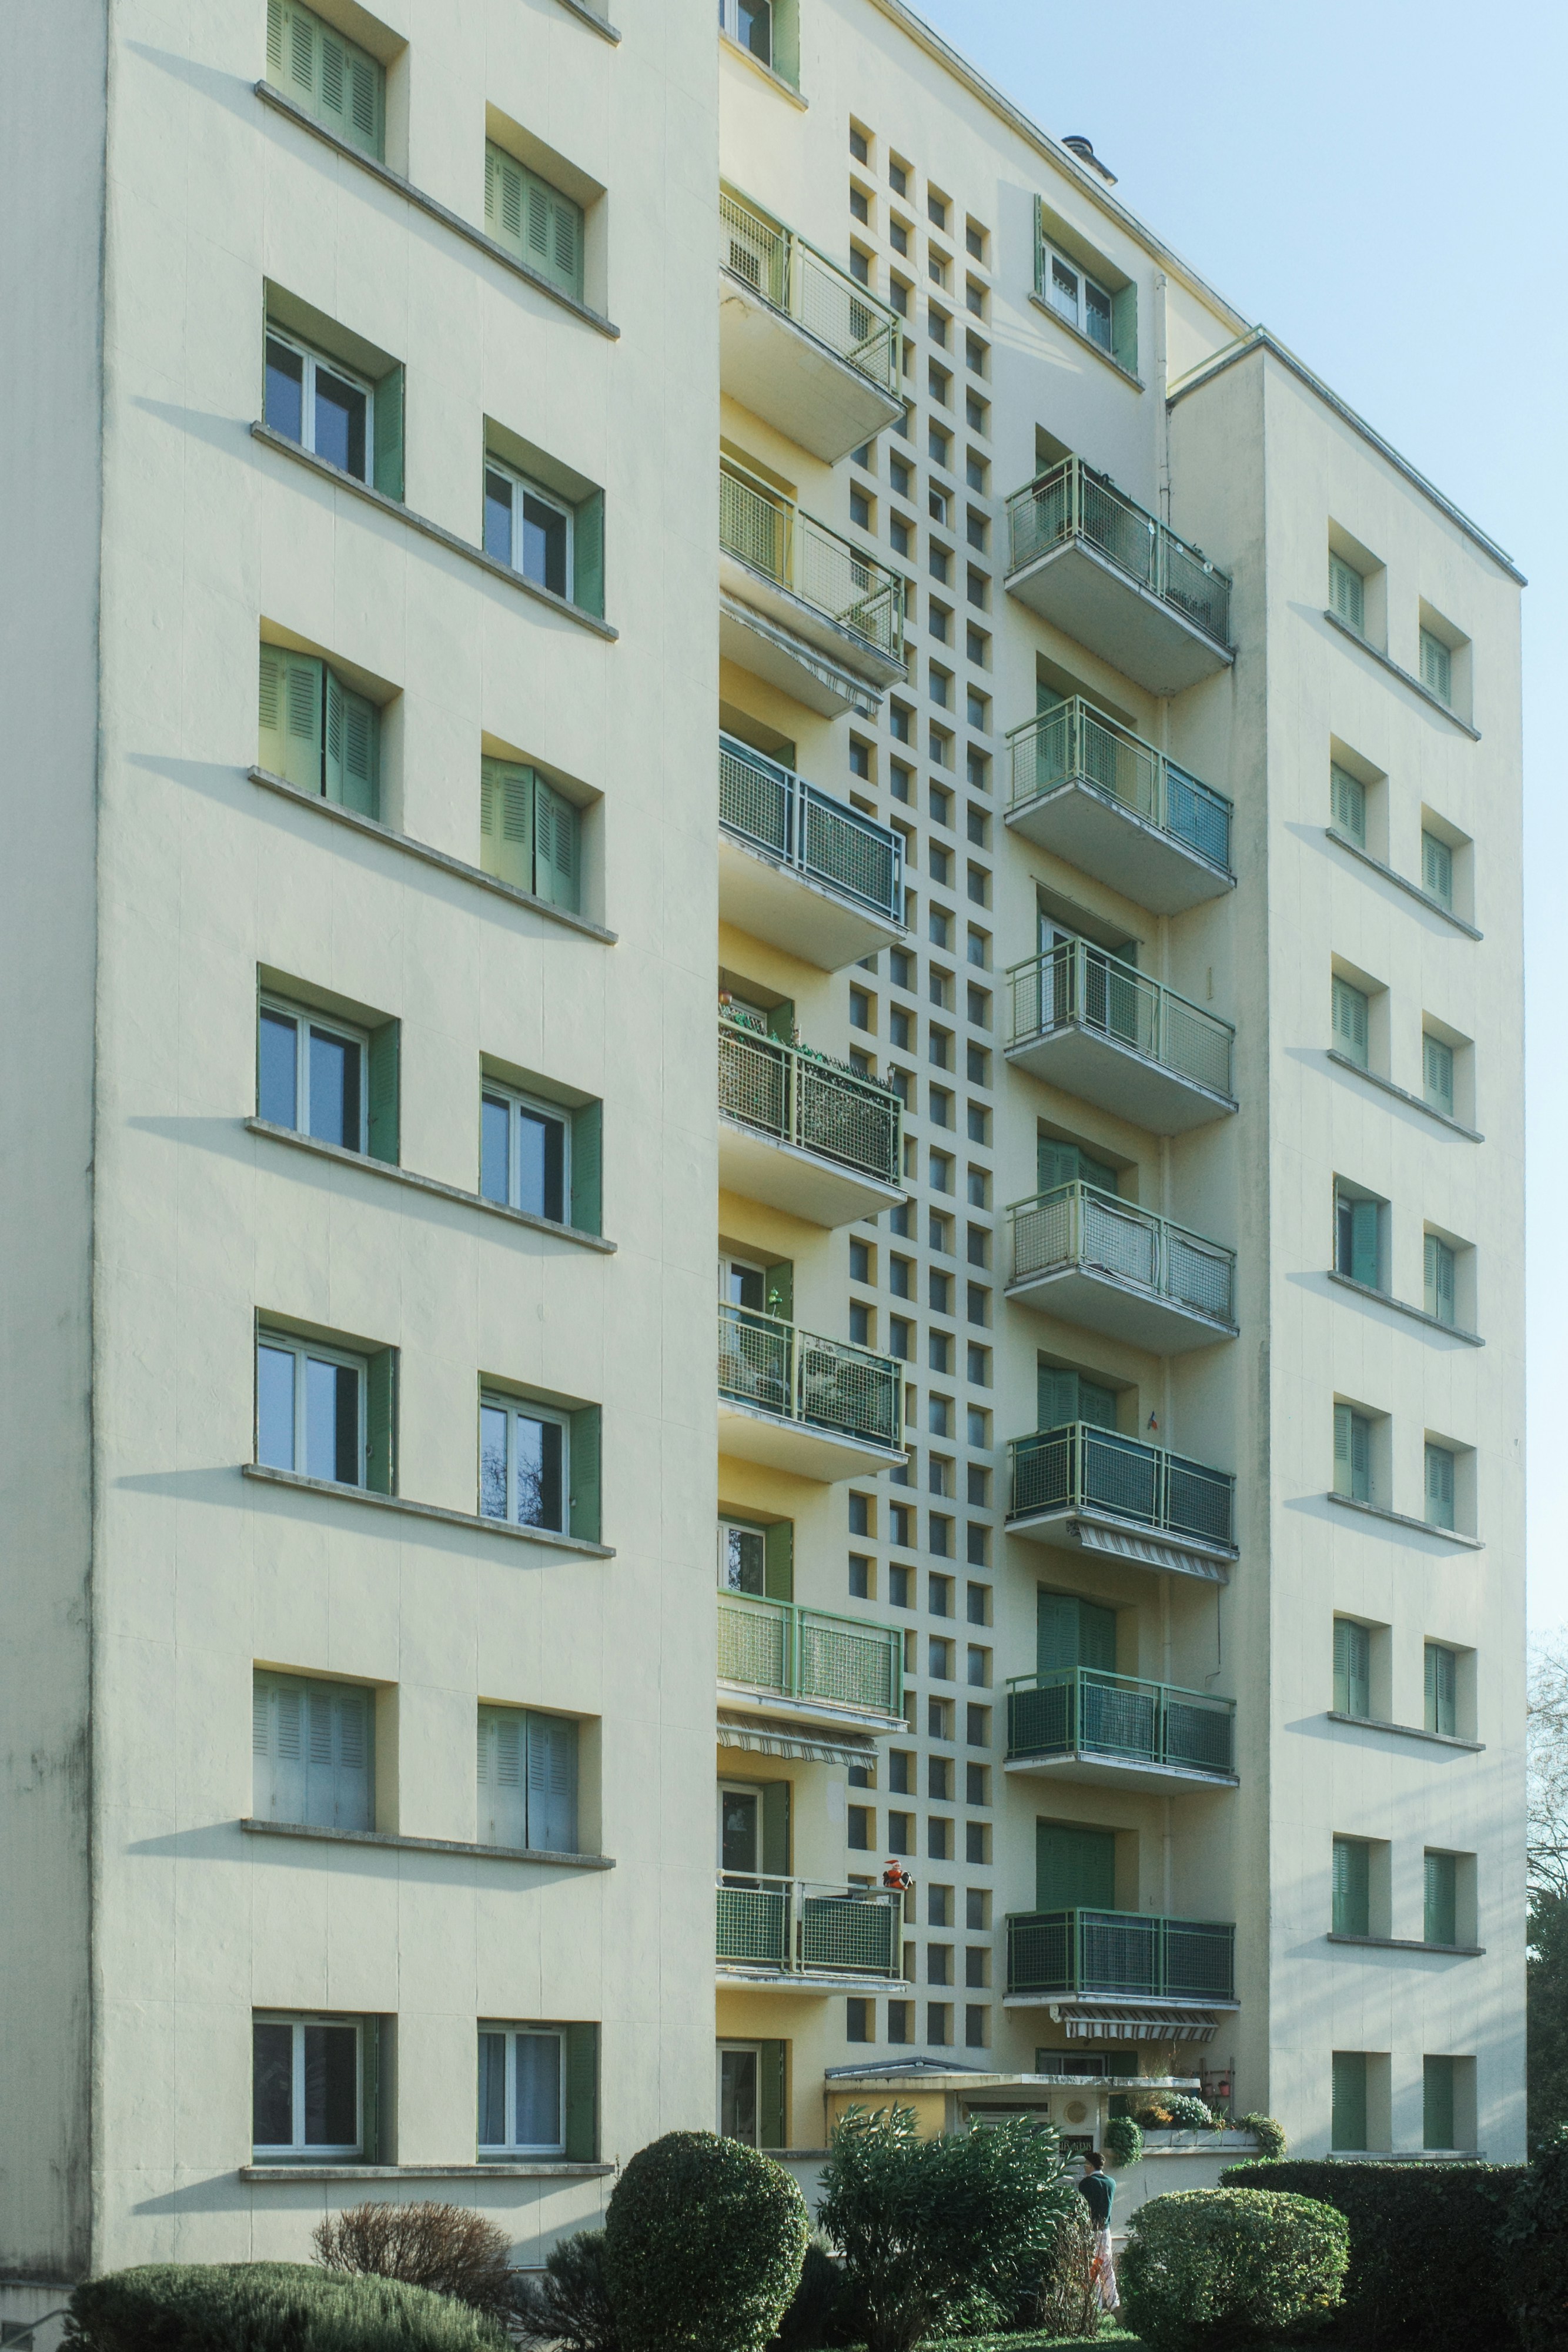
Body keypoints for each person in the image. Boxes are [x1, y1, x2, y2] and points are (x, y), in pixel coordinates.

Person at [1077, 2150, 1119, 2312]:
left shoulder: (1086, 2184)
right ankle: (1114, 2302)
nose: (1084, 2168)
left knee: (1091, 2267)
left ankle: (1095, 2304)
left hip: (1090, 2231)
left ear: (1090, 2165)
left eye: (1085, 2164)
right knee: (1107, 2266)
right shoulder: (1111, 2183)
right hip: (1106, 2230)